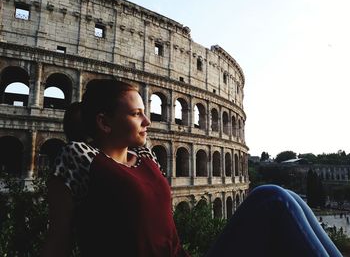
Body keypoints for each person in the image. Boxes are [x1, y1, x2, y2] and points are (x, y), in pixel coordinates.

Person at [42, 79, 342, 257]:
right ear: (104, 122)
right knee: (273, 199)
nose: (148, 122)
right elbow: (58, 240)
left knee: (279, 196)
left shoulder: (146, 158)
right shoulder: (80, 157)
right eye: (136, 114)